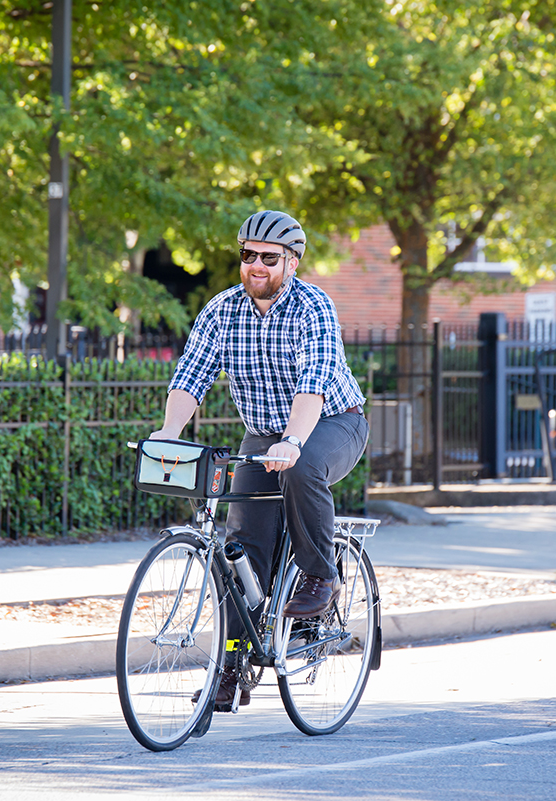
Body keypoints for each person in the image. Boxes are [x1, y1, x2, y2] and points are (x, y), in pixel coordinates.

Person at [150, 209, 368, 711]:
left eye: (269, 258)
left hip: (333, 422)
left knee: (304, 466)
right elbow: (191, 376)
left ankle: (320, 577)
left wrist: (293, 441)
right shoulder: (222, 310)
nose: (256, 265)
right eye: (248, 255)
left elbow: (313, 385)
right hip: (262, 432)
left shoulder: (314, 307)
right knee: (240, 547)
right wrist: (168, 433)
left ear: (292, 263)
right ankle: (230, 668)